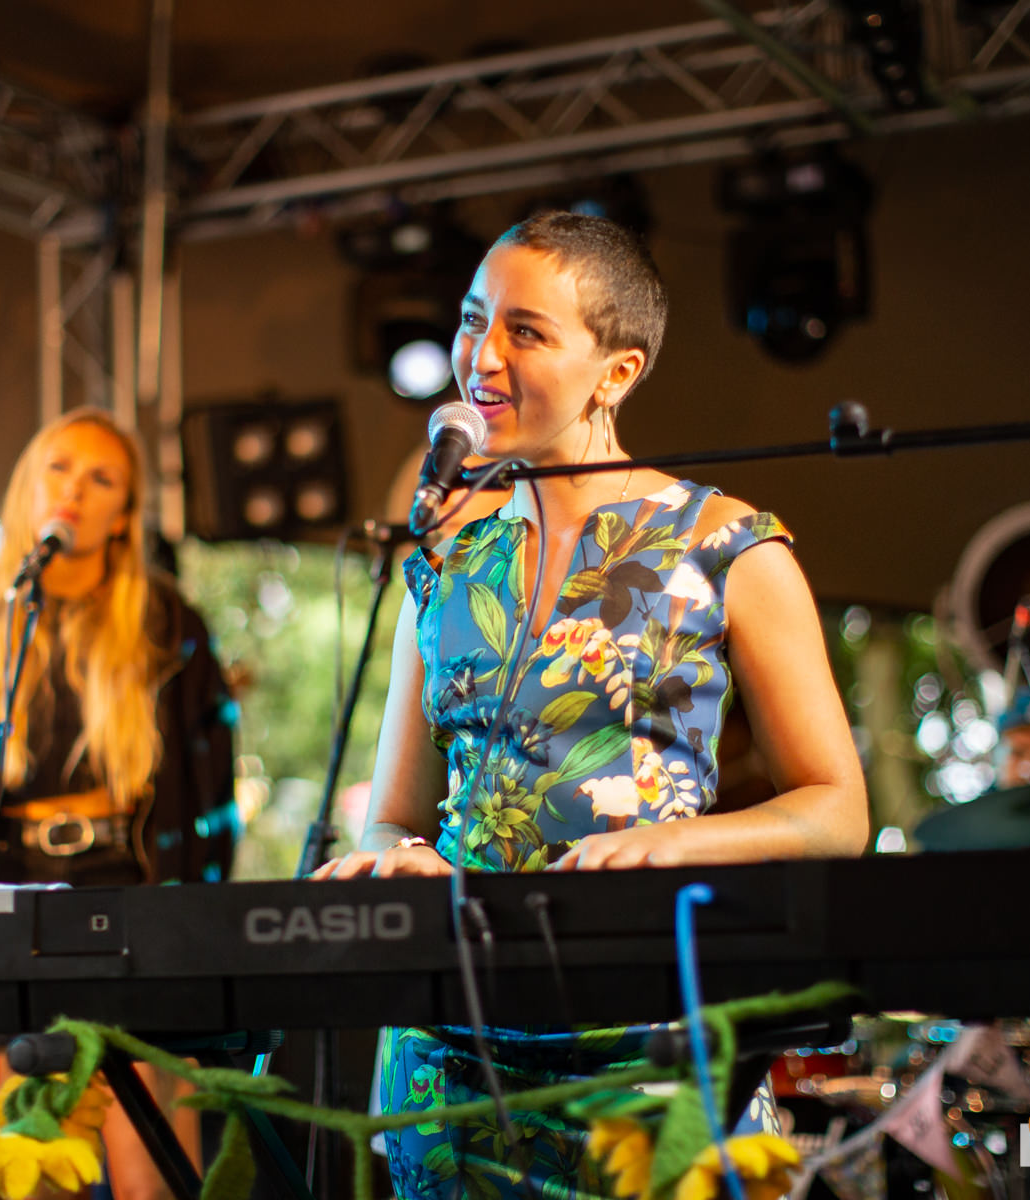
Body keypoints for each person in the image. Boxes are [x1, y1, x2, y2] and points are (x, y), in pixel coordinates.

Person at [314, 211, 869, 1197]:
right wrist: (401, 853)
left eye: (525, 331)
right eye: (474, 319)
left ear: (616, 372)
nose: (480, 355)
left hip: (656, 1054)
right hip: (449, 1068)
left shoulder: (730, 548)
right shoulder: (445, 568)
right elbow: (396, 812)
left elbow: (837, 810)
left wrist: (675, 844)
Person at [0, 406, 236, 1199]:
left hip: (138, 916)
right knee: (31, 1173)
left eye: (103, 480)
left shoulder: (170, 626)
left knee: (152, 1178)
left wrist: (192, 936)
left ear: (126, 512)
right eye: (59, 469)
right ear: (28, 487)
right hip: (14, 925)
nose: (76, 492)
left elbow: (210, 801)